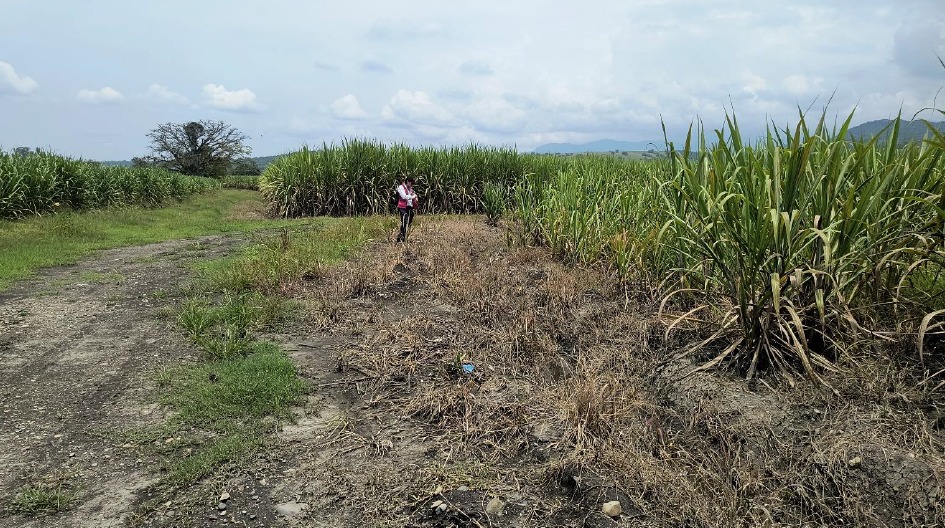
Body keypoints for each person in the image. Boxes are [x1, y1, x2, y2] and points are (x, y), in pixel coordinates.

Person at [396, 177, 419, 242]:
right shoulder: (401, 187)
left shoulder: (410, 189)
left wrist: (415, 197)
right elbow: (404, 197)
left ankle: (401, 236)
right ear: (408, 181)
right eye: (411, 183)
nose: (412, 185)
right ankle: (402, 237)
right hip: (403, 207)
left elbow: (414, 194)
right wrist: (413, 197)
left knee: (408, 222)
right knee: (405, 221)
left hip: (409, 208)